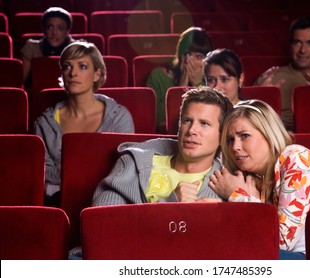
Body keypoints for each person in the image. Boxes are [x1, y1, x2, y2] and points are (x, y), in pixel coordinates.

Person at [208, 99, 310, 260]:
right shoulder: (255, 178)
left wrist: (237, 195)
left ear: (269, 135)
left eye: (244, 136)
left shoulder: (296, 157)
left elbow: (281, 242)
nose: (235, 147)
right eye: (230, 140)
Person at [92, 87, 233, 206]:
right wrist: (169, 203)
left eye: (204, 124)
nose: (191, 131)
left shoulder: (227, 186)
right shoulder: (132, 163)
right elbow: (103, 226)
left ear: (222, 136)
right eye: (187, 121)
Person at [34, 41, 135, 206]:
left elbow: (125, 168)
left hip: (109, 198)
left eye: (82, 66)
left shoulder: (119, 117)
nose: (73, 73)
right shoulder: (45, 122)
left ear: (97, 74)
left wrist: (70, 171)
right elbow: (44, 173)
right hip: (59, 200)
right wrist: (92, 169)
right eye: (67, 67)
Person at [146, 27, 213, 132]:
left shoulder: (212, 80)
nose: (190, 61)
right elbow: (161, 123)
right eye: (188, 54)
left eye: (198, 56)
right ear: (181, 55)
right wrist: (180, 88)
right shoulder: (158, 76)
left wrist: (197, 83)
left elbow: (210, 118)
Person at [20, 7, 76, 87]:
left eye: (60, 28)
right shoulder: (31, 48)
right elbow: (21, 82)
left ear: (67, 31)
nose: (54, 32)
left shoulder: (77, 49)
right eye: (50, 27)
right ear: (44, 29)